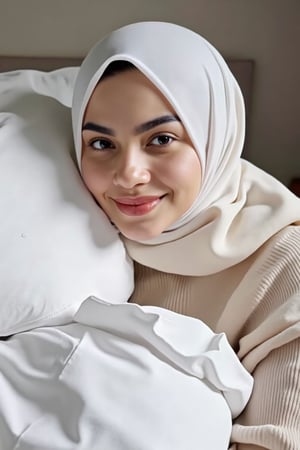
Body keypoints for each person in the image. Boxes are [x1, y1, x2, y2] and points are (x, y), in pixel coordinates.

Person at [71, 21, 300, 449]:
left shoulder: (286, 266)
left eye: (161, 138)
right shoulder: (62, 239)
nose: (129, 175)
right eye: (101, 144)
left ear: (215, 137)